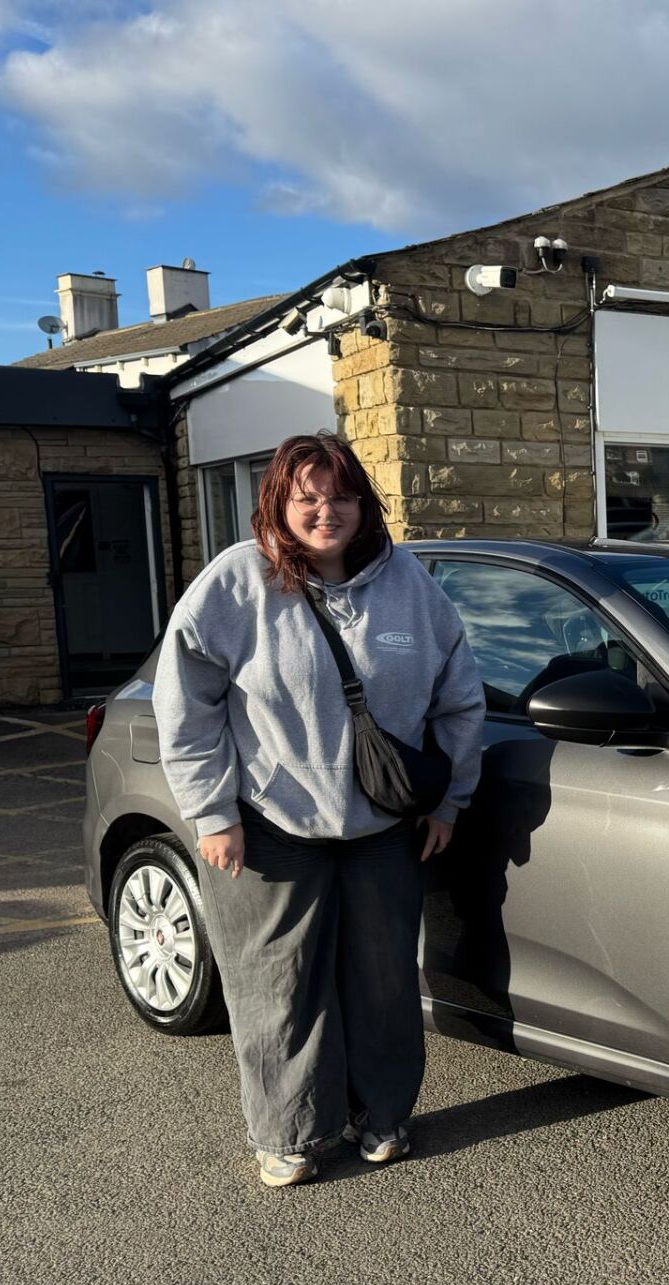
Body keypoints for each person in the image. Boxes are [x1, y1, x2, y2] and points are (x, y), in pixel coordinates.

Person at [154, 432, 487, 1188]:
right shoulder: (235, 584)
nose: (325, 512)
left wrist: (451, 800)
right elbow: (187, 704)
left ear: (363, 503)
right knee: (278, 985)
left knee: (383, 983)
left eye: (340, 496)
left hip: (382, 828)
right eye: (307, 498)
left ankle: (383, 1116)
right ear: (278, 503)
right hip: (272, 827)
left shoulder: (412, 588)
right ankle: (290, 1134)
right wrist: (212, 811)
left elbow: (459, 698)